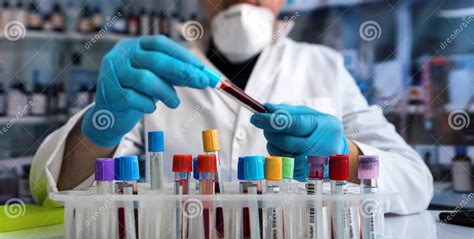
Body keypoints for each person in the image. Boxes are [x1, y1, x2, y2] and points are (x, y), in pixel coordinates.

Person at [30, 0, 433, 214]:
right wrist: (102, 126)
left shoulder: (322, 65)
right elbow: (59, 192)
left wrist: (344, 155)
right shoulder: (152, 69)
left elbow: (415, 181)